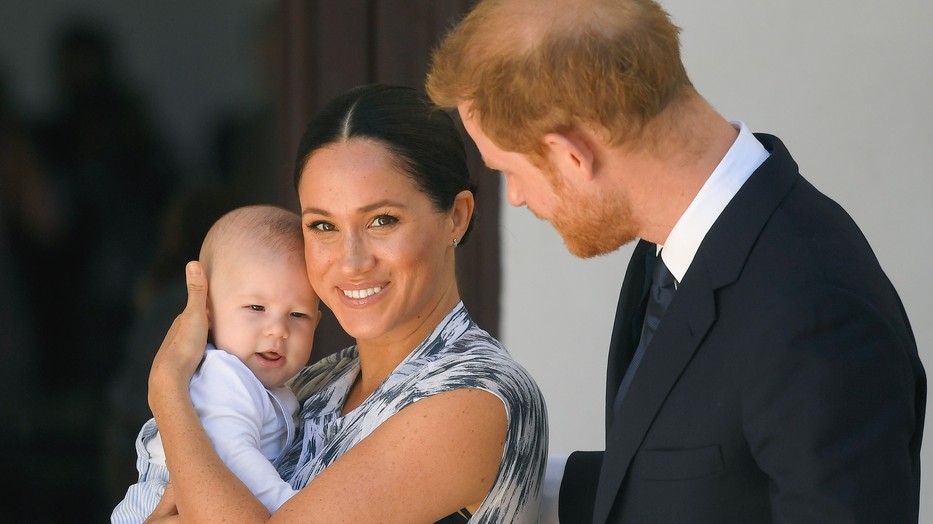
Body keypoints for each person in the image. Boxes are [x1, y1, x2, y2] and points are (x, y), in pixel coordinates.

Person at [426, 1, 925, 522]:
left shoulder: (815, 311)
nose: (516, 197)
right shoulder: (676, 244)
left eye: (510, 170)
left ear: (572, 155)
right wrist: (495, 475)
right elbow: (702, 479)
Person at [144, 84, 548, 523]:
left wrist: (168, 389)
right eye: (323, 226)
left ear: (457, 216)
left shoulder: (476, 395)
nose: (352, 262)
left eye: (382, 220)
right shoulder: (316, 382)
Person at [112, 204, 322, 522]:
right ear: (207, 311)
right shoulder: (224, 377)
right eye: (256, 307)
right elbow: (233, 457)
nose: (278, 330)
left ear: (316, 323)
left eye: (297, 315)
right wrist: (292, 509)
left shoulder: (271, 385)